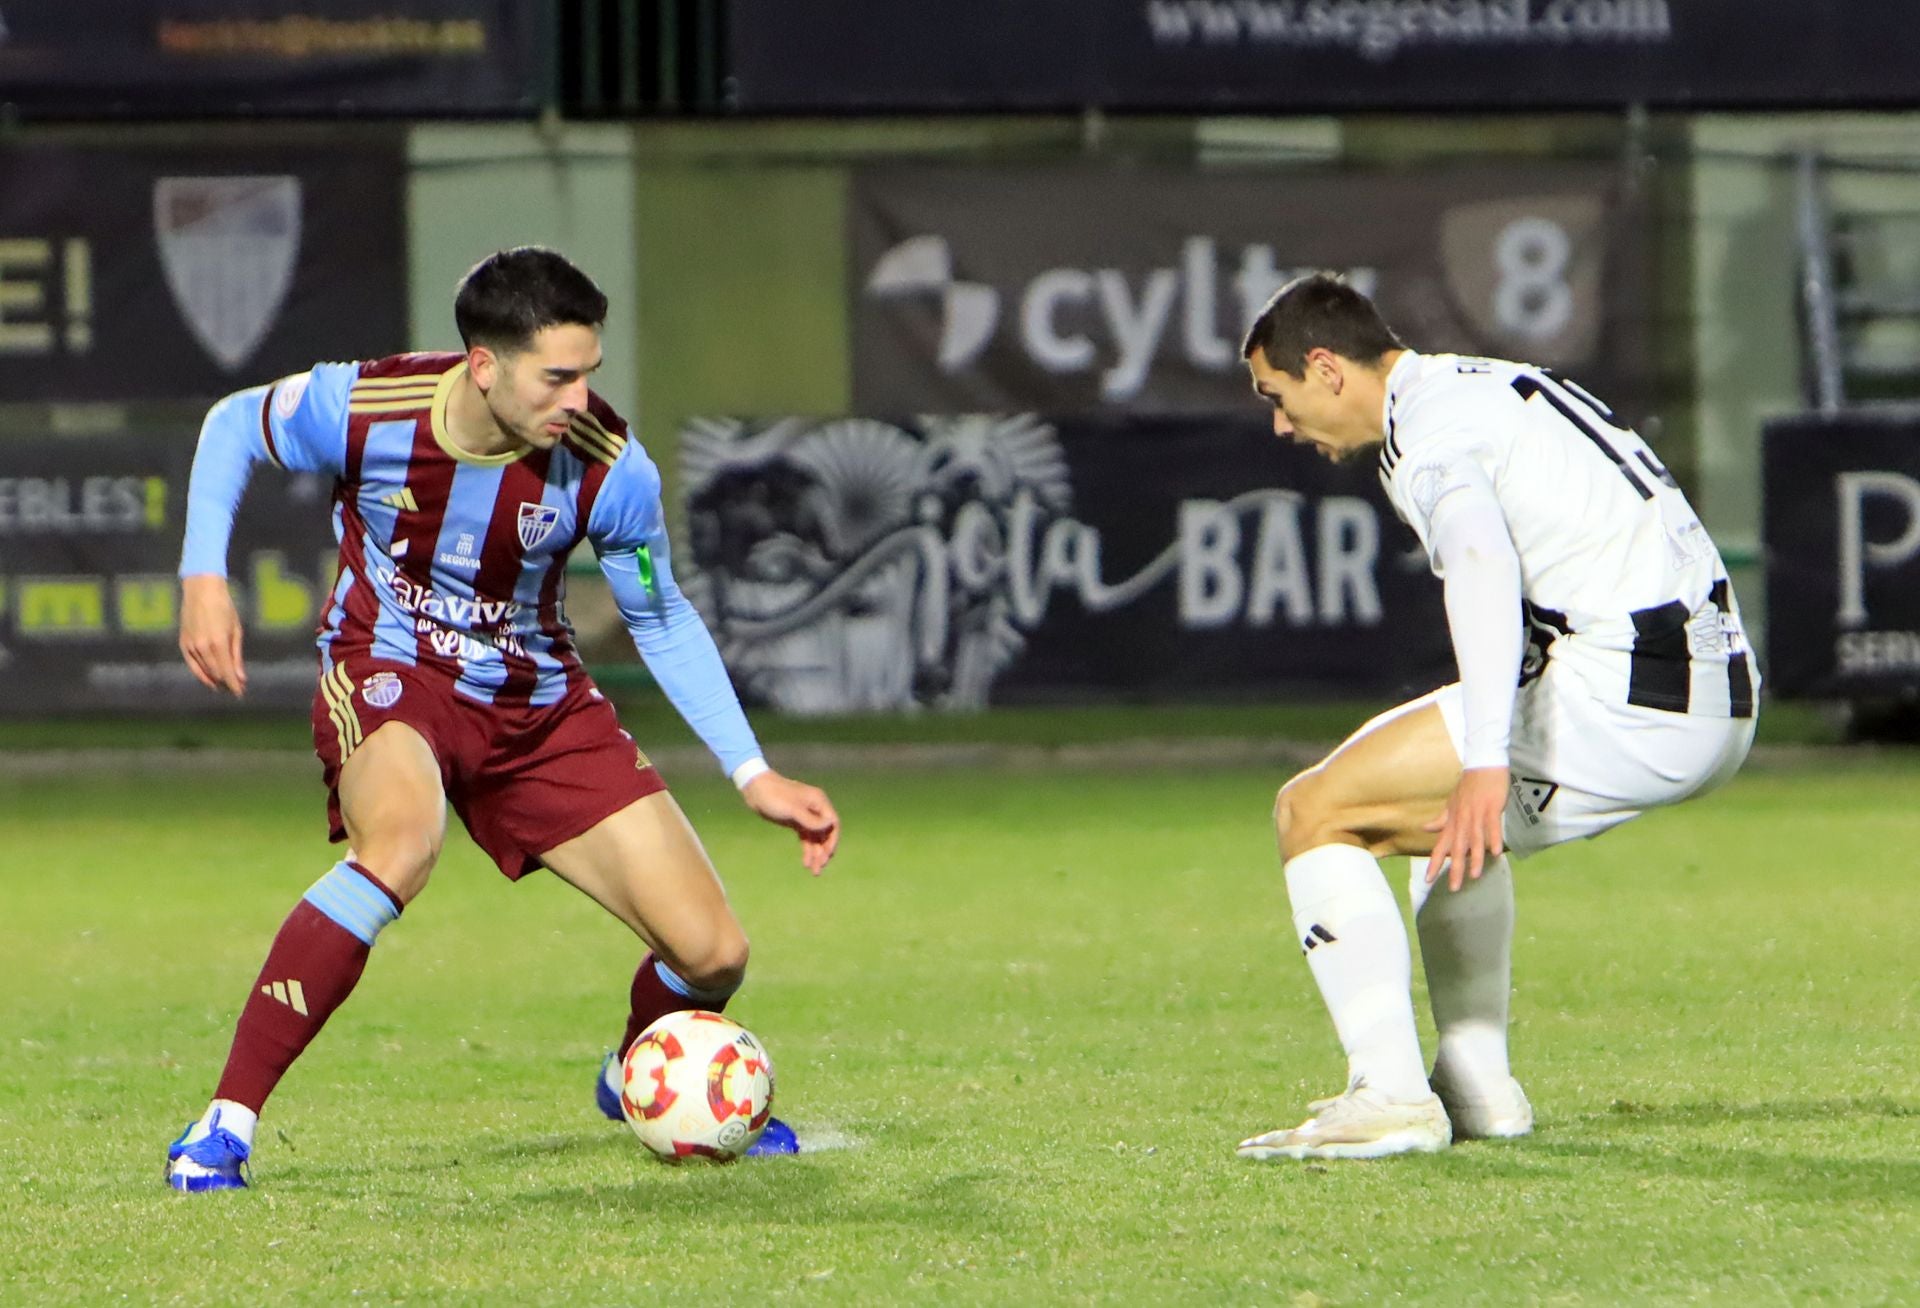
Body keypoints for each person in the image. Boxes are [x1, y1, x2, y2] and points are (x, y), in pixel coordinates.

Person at [164, 247, 840, 1191]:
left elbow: (658, 613)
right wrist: (203, 574)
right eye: (556, 376)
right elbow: (235, 424)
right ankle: (223, 1124)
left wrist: (751, 771)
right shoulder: (368, 408)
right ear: (484, 365)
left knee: (713, 954)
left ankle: (638, 1073)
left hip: (536, 703)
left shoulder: (611, 469)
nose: (578, 398)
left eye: (588, 373)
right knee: (400, 844)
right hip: (390, 669)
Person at [1234, 274, 1756, 1161]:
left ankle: (1391, 1097)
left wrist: (1484, 757)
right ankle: (1477, 1087)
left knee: (1314, 811)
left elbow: (1480, 561)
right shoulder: (1478, 384)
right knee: (1436, 828)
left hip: (1629, 690)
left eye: (1276, 397)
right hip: (1710, 687)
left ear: (1324, 369)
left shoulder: (1428, 435)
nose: (1281, 425)